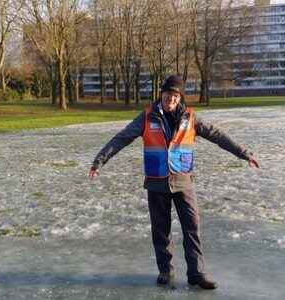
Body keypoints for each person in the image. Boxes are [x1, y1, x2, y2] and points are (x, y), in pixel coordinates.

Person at [88, 75, 259, 290]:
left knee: (192, 227)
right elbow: (121, 138)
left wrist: (244, 154)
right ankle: (165, 271)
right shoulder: (147, 116)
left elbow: (218, 135)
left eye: (175, 95)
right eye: (168, 94)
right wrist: (99, 161)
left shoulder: (190, 117)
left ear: (180, 98)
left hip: (183, 181)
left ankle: (196, 274)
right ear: (161, 95)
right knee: (161, 230)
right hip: (157, 182)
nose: (171, 99)